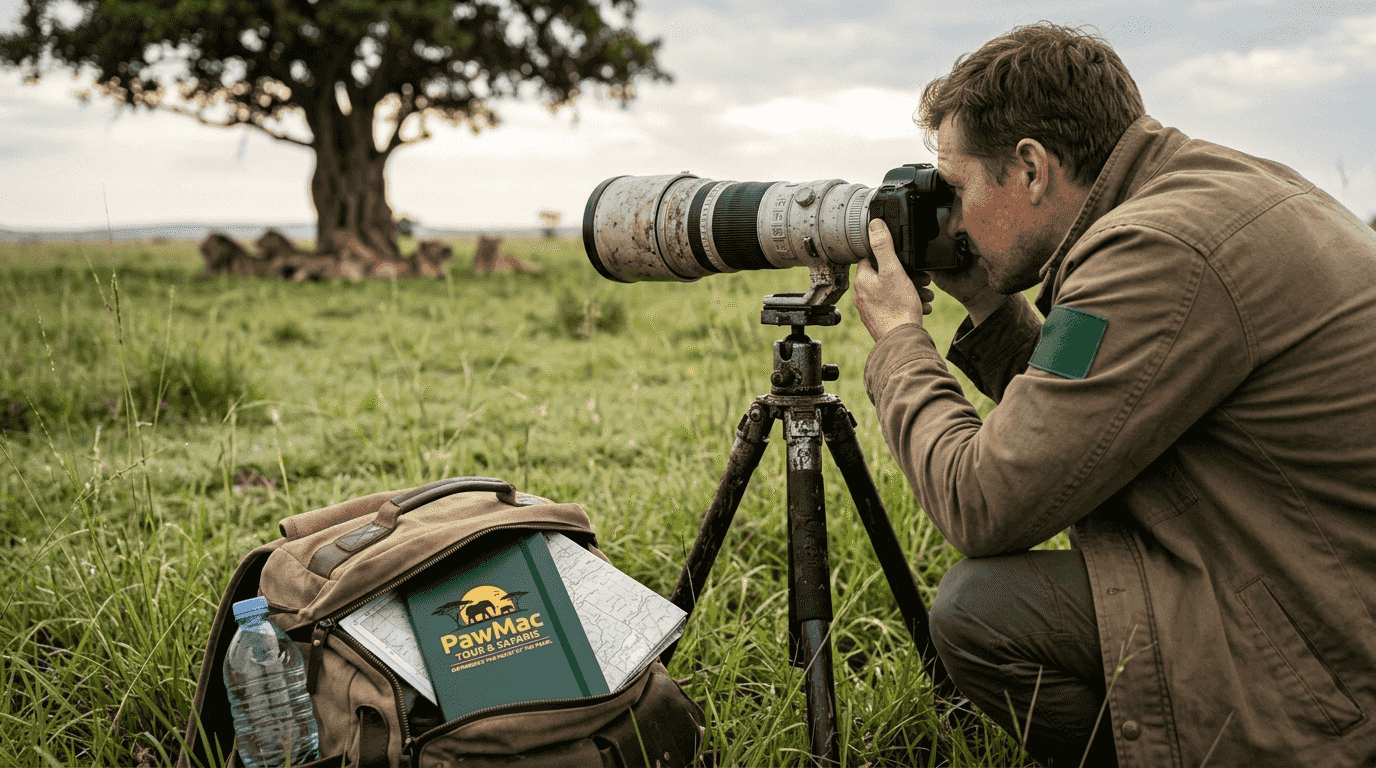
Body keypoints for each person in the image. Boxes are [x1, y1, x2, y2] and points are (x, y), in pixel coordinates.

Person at [852, 22, 1376, 767]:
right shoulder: (1196, 193)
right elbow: (1095, 400)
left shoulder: (1152, 252)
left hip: (1330, 649)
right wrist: (986, 304)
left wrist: (902, 343)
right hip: (1311, 571)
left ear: (1031, 168)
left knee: (982, 612)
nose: (954, 216)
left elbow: (985, 503)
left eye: (960, 187)